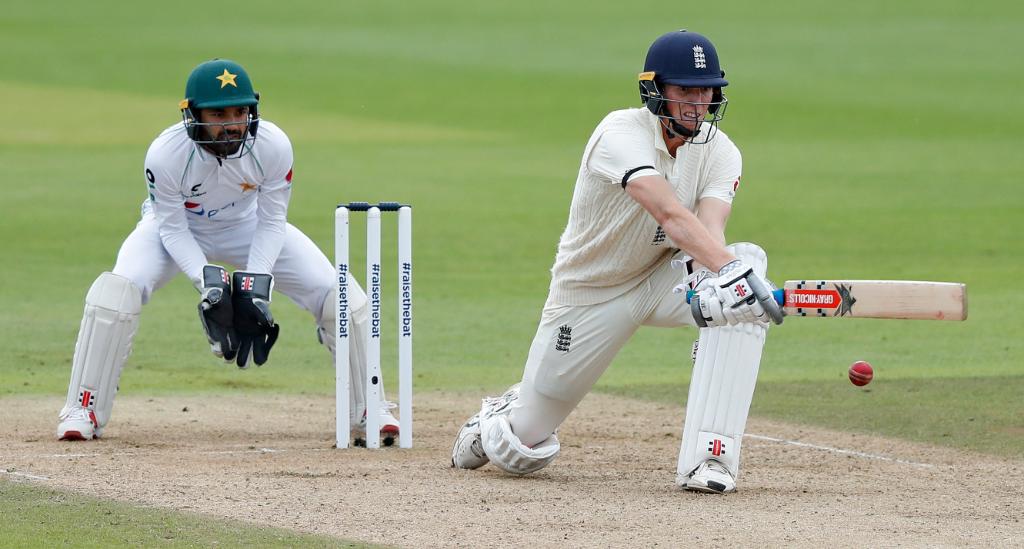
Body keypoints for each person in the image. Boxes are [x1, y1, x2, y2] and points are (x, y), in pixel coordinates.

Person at [451, 30, 783, 493]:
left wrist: (726, 282)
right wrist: (727, 273)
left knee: (744, 273)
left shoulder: (721, 151)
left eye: (706, 90)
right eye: (685, 90)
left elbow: (710, 233)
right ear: (655, 90)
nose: (697, 102)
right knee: (524, 449)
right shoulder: (619, 133)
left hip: (661, 281)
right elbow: (667, 211)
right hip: (589, 295)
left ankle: (711, 460)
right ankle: (504, 413)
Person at [56, 59, 400, 444]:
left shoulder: (272, 146)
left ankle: (369, 407)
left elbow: (272, 221)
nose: (232, 123)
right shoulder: (165, 155)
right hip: (177, 228)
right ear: (193, 115)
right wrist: (209, 283)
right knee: (116, 291)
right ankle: (82, 407)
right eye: (218, 113)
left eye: (240, 111)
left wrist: (255, 287)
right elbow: (170, 226)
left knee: (341, 293)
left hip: (247, 225)